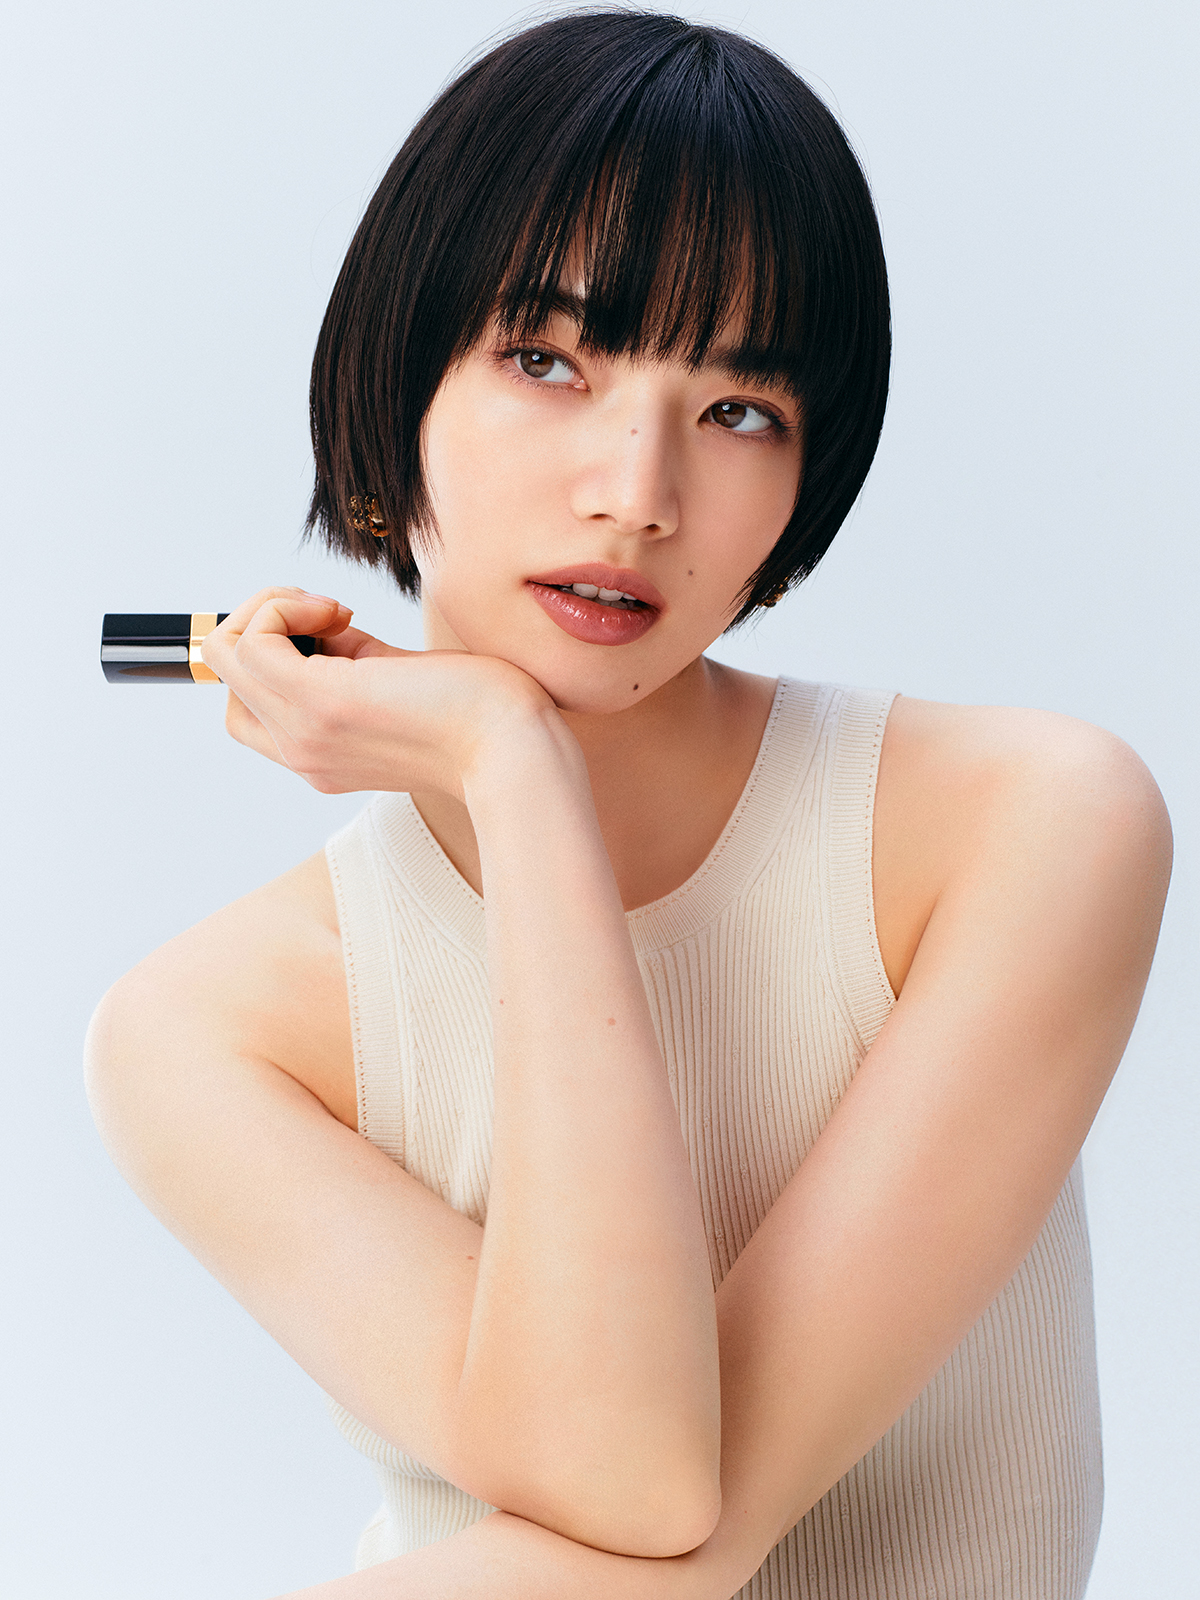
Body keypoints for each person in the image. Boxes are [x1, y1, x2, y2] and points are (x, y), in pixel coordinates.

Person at [84, 12, 1172, 1599]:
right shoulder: (208, 1033)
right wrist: (505, 767)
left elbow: (671, 1512)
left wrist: (513, 770)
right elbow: (626, 1476)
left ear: (800, 504)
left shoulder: (1025, 827)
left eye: (740, 410)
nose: (638, 489)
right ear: (392, 402)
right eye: (547, 360)